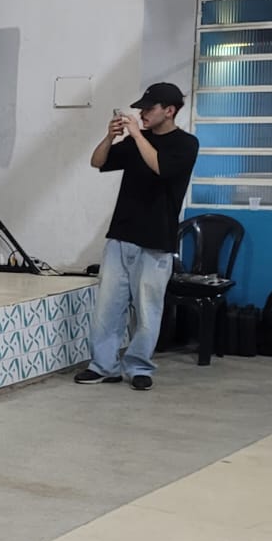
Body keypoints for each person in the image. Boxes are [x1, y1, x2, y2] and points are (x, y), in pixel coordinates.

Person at [76, 83, 200, 391]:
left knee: (147, 309)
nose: (142, 114)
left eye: (149, 108)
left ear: (169, 111)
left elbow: (160, 167)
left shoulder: (186, 144)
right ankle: (103, 365)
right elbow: (98, 162)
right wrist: (110, 136)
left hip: (157, 240)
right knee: (108, 307)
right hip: (121, 235)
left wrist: (136, 135)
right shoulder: (136, 142)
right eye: (140, 109)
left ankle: (139, 366)